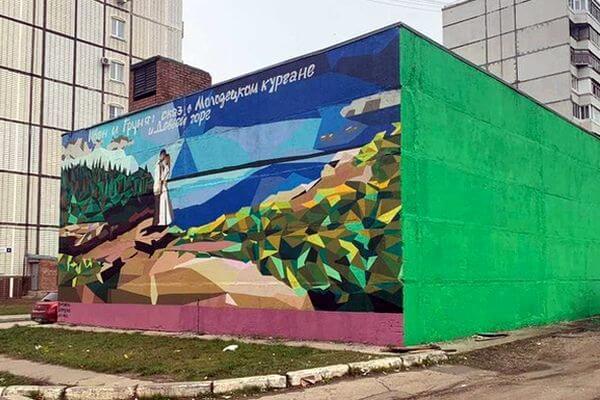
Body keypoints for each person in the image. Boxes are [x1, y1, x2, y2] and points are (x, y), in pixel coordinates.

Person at [153, 149, 173, 226]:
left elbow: (162, 178)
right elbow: (158, 177)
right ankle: (161, 221)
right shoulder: (159, 165)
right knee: (161, 204)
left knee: (163, 203)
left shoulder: (165, 166)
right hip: (159, 187)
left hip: (162, 187)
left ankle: (163, 221)